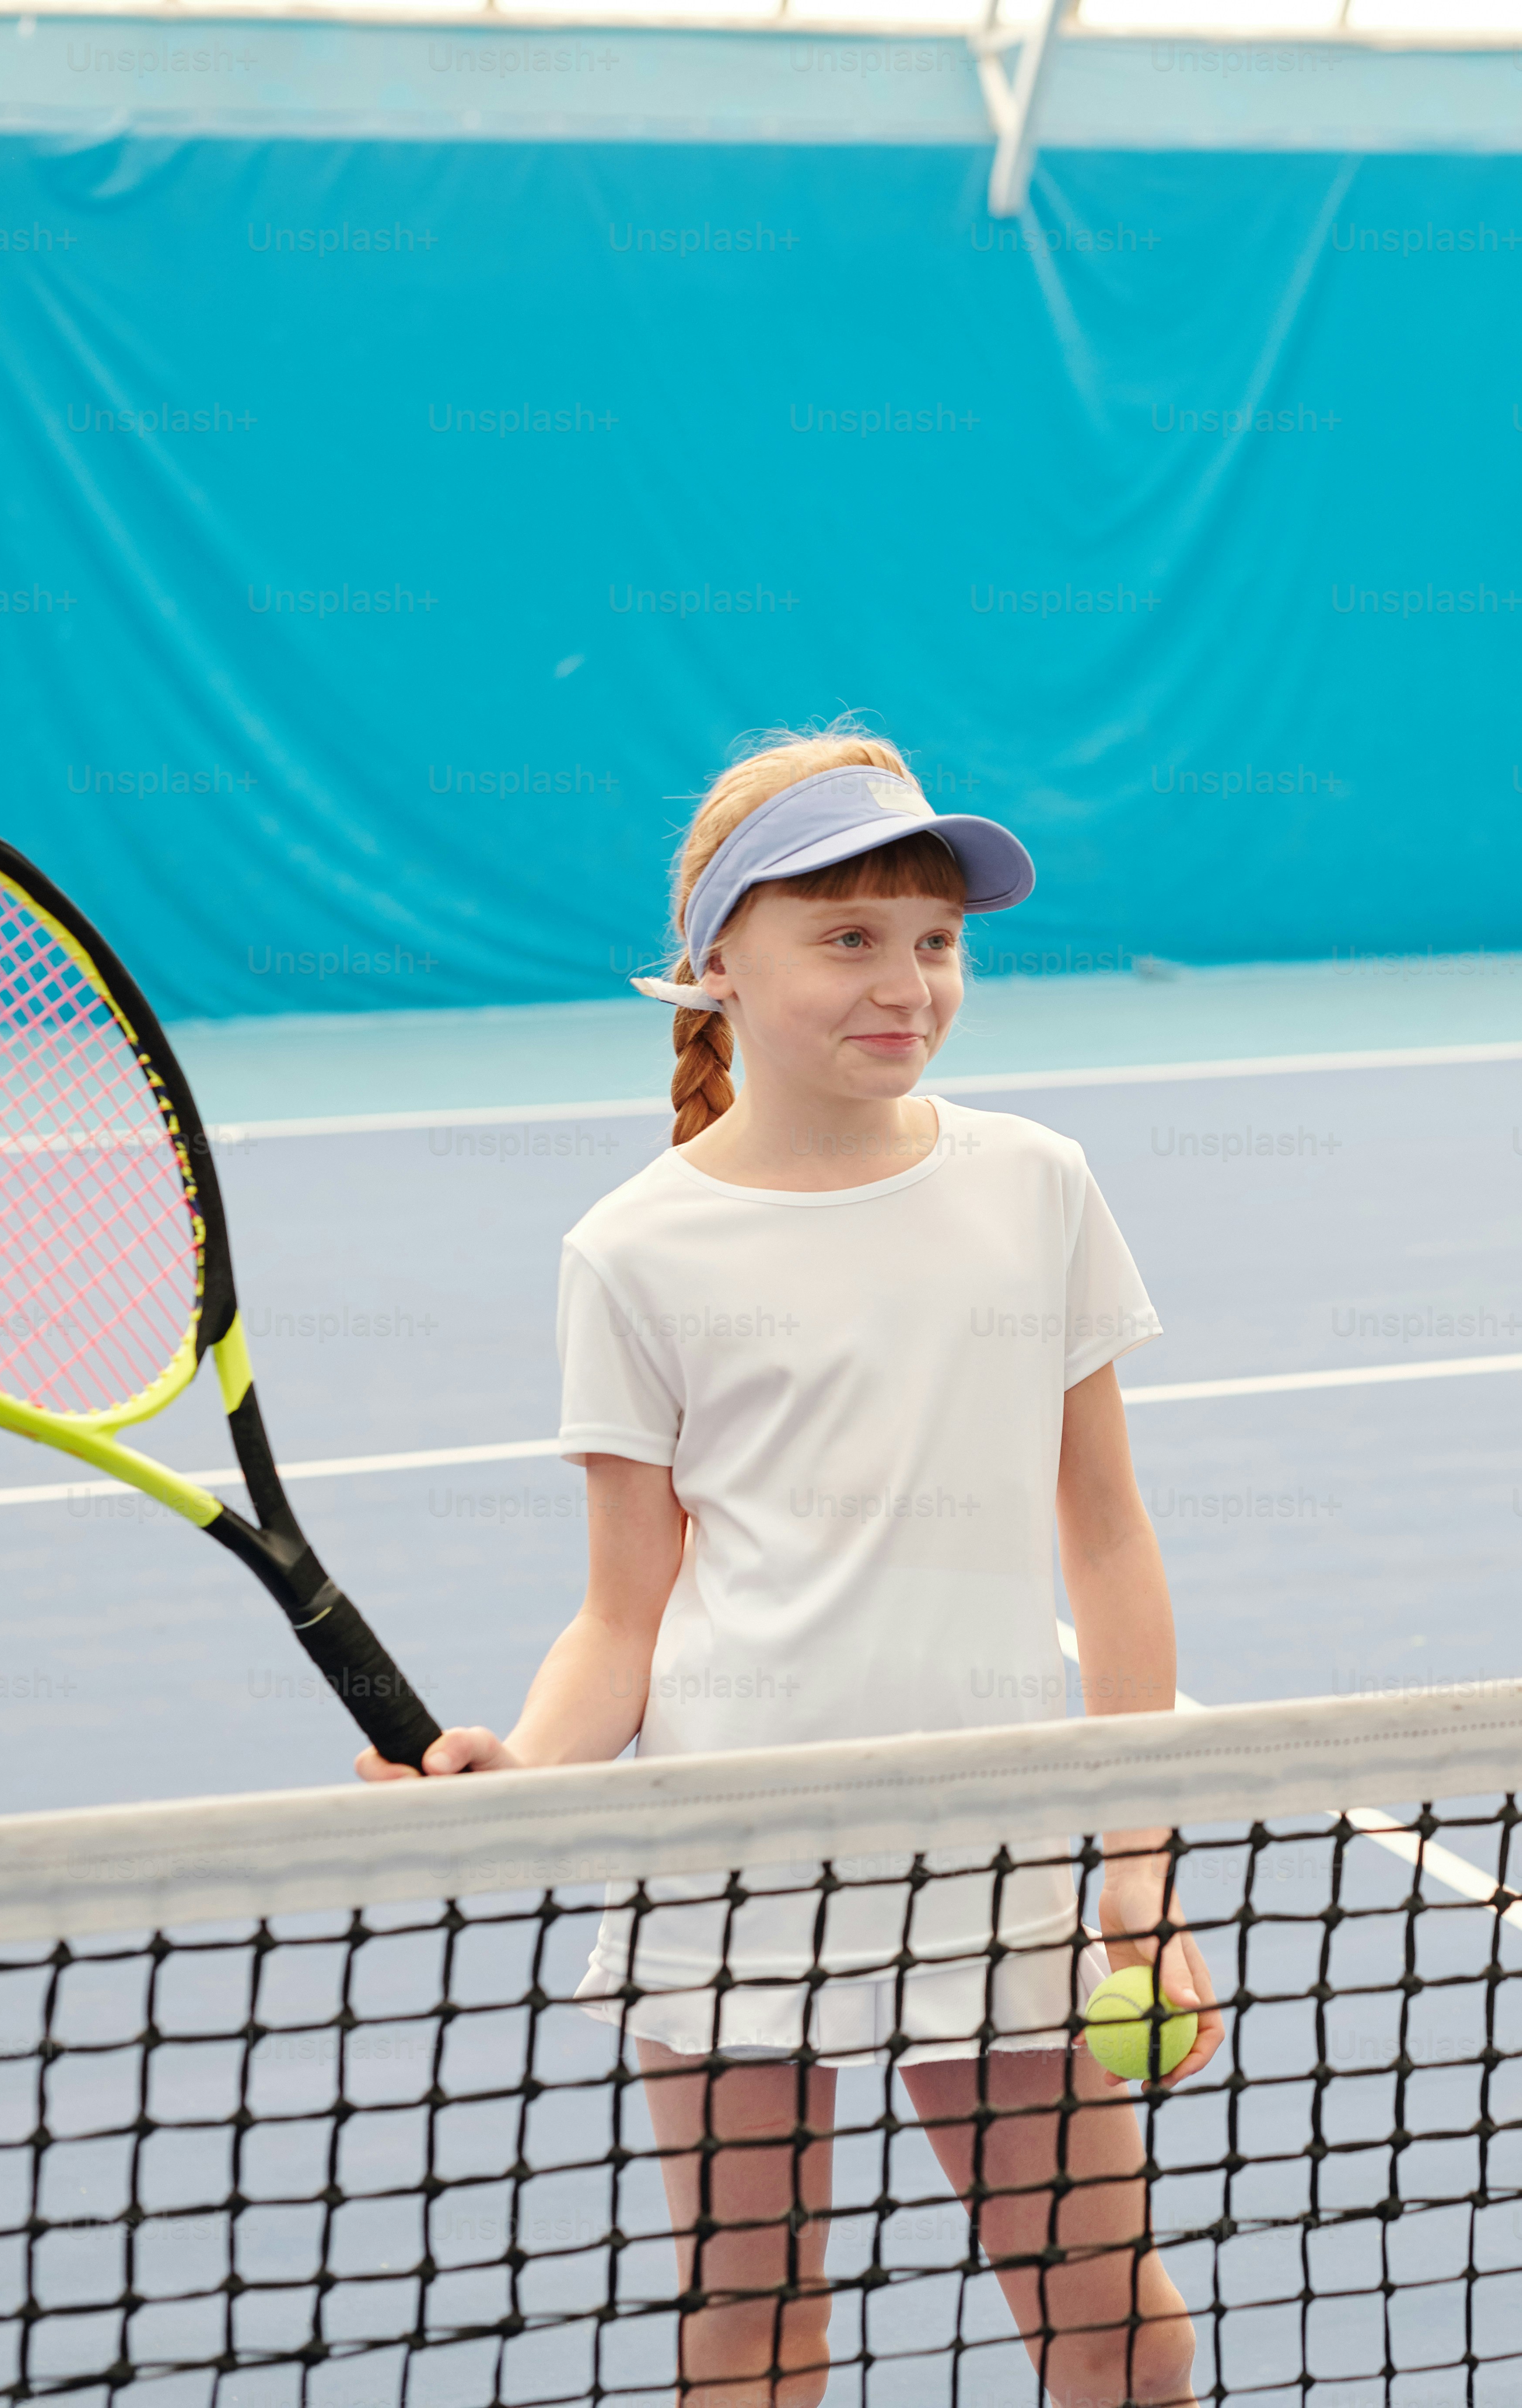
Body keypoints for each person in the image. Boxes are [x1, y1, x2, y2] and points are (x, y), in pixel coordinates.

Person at [359, 728, 1215, 2408]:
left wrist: (1139, 1863)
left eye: (936, 940)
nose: (907, 982)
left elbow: (1108, 1539)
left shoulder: (1037, 1186)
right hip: (730, 1867)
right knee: (756, 2323)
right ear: (714, 967)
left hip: (998, 1846)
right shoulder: (632, 1248)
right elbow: (624, 1613)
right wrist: (524, 1768)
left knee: (1106, 2309)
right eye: (848, 938)